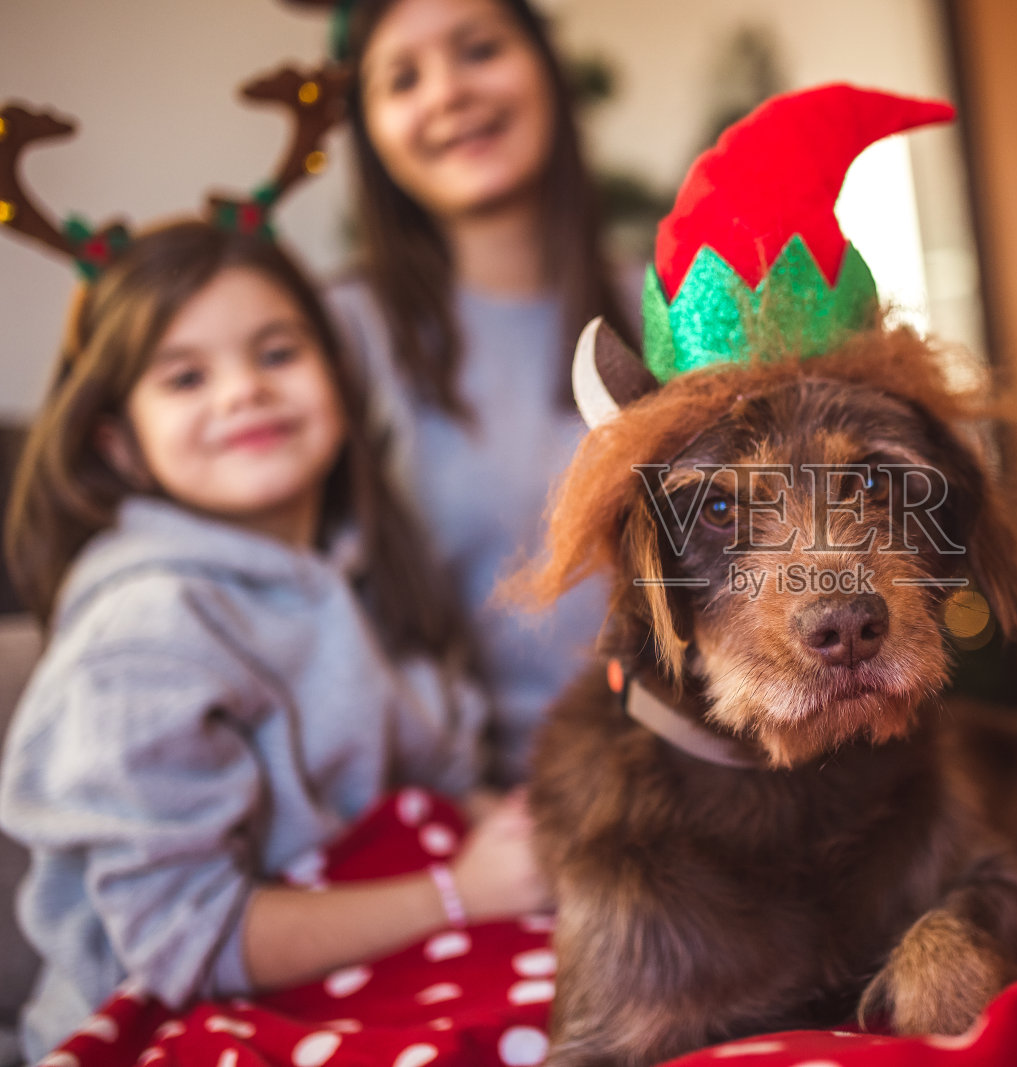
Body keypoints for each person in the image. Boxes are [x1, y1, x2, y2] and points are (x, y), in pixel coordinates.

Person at [0, 221, 549, 1062]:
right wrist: (460, 894)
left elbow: (436, 777)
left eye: (277, 353)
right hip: (183, 1017)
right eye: (186, 376)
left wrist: (532, 839)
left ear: (338, 374)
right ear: (120, 442)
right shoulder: (145, 631)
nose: (242, 391)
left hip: (386, 962)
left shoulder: (360, 569)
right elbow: (194, 942)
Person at [326, 0, 634, 786]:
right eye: (402, 78)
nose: (448, 93)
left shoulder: (670, 305)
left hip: (705, 784)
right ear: (368, 131)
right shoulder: (336, 336)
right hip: (475, 814)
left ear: (547, 69)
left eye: (479, 50)